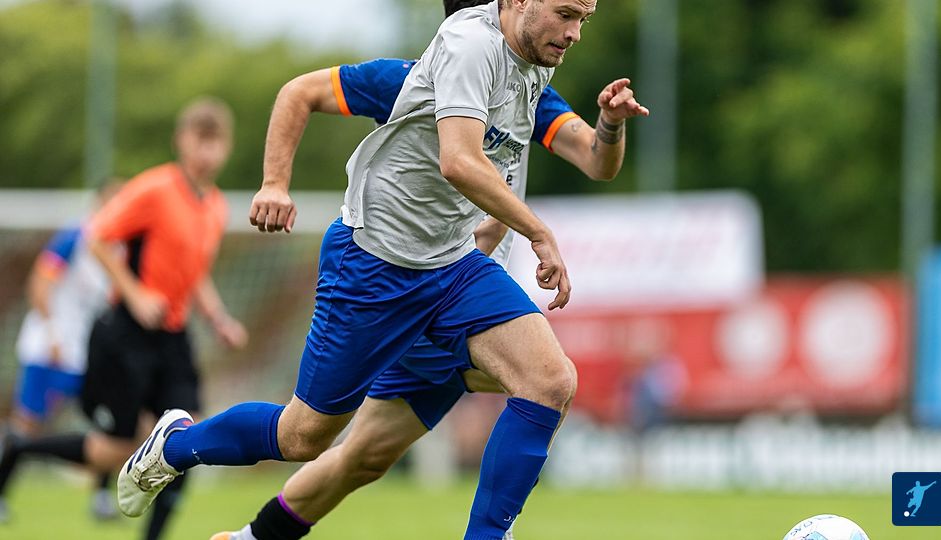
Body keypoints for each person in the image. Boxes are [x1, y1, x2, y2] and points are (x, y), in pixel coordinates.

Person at [120, 2, 644, 540]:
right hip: (378, 266)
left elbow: (595, 160)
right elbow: (309, 96)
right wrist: (274, 183)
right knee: (304, 437)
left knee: (542, 383)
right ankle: (177, 445)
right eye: (565, 14)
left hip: (453, 270)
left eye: (583, 18)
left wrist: (608, 123)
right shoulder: (429, 66)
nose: (574, 33)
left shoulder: (529, 70)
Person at [0, 97, 248, 540]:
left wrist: (218, 318)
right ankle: (21, 447)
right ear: (181, 141)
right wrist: (135, 294)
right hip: (125, 336)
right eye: (200, 140)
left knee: (189, 436)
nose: (207, 152)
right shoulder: (154, 189)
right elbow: (98, 237)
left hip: (173, 337)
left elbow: (193, 273)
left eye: (216, 143)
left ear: (227, 147)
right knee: (113, 450)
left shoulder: (215, 206)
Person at [0, 181, 122, 523]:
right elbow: (39, 283)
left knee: (108, 420)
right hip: (50, 349)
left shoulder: (118, 247)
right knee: (26, 423)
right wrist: (51, 331)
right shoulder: (74, 237)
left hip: (86, 353)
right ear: (100, 204)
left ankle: (101, 497)